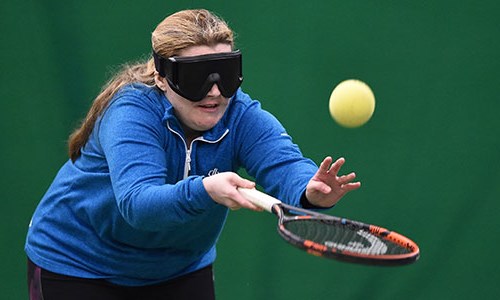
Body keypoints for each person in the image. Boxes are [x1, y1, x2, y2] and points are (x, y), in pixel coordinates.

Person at [25, 9, 361, 300]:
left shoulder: (241, 116)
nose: (214, 90)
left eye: (226, 73)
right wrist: (205, 190)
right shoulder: (130, 113)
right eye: (197, 76)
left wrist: (309, 192)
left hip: (179, 269)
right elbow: (138, 205)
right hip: (79, 264)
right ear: (161, 76)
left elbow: (286, 165)